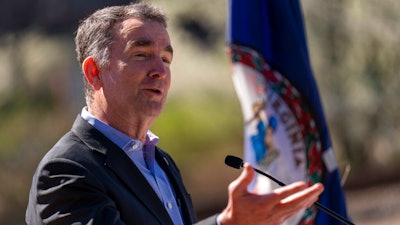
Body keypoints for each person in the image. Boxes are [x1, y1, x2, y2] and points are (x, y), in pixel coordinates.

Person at [26, 2, 324, 225]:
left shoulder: (161, 163)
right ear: (94, 72)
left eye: (166, 59)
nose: (160, 72)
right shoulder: (66, 170)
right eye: (141, 55)